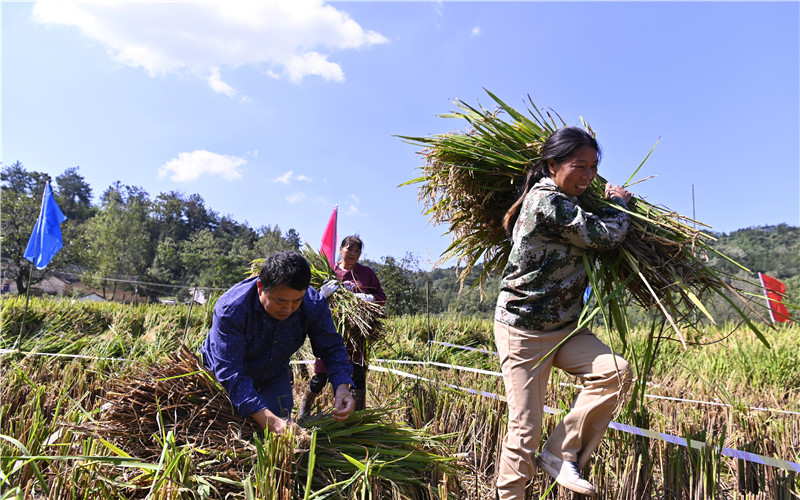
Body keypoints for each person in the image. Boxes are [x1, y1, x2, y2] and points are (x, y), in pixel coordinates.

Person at [494, 127, 632, 499]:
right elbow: (604, 236)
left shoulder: (569, 201)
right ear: (552, 164)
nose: (588, 176)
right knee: (524, 431)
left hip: (565, 327)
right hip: (523, 331)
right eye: (579, 166)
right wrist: (620, 204)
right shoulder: (546, 201)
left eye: (593, 168)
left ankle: (559, 453)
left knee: (615, 372)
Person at [200, 251, 355, 434]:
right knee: (232, 431)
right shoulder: (232, 309)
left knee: (281, 430)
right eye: (280, 301)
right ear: (260, 288)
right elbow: (231, 373)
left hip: (272, 371)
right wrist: (270, 421)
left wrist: (342, 386)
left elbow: (331, 347)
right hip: (221, 375)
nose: (288, 309)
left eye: (296, 301)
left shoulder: (313, 304)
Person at [298, 235, 386, 417]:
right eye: (349, 249)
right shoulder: (329, 272)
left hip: (356, 336)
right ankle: (304, 411)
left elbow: (382, 297)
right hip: (331, 333)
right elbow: (308, 298)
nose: (353, 253)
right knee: (320, 378)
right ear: (341, 249)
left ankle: (356, 418)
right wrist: (321, 295)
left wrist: (370, 298)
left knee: (358, 376)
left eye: (357, 250)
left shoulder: (367, 273)